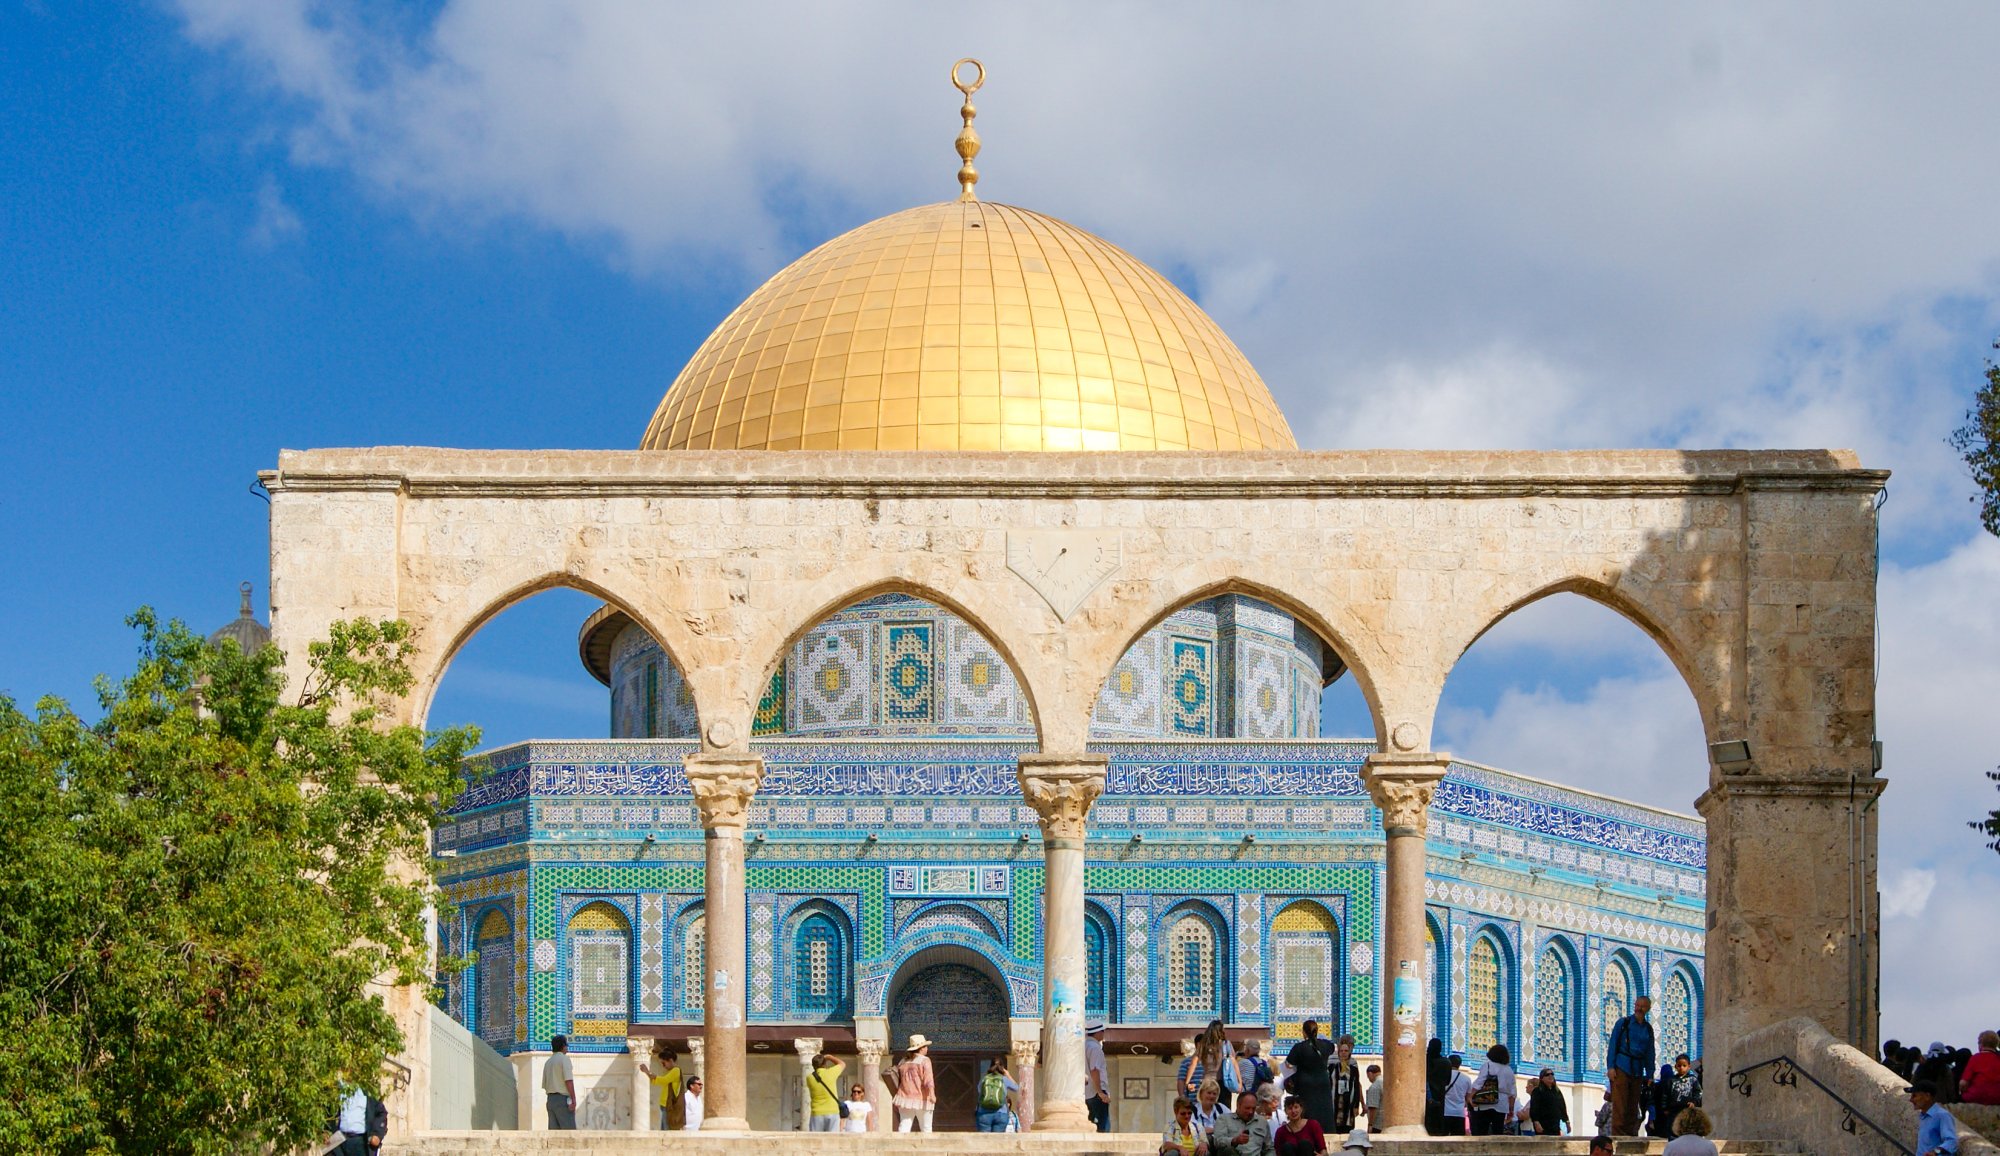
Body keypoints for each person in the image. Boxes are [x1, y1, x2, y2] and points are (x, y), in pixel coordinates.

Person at [1607, 996, 1656, 1136]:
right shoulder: (1623, 1023)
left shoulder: (1648, 1029)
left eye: (1643, 1006)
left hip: (1637, 1069)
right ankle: (1617, 1137)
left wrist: (1650, 1073)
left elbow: (1650, 1052)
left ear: (1648, 1009)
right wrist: (1611, 1067)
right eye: (1637, 1005)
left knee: (1633, 1106)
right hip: (1622, 1066)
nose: (1639, 1008)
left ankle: (1629, 1135)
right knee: (1620, 1105)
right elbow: (1613, 1045)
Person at [1284, 1020, 1338, 1135]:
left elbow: (1288, 1064)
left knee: (1307, 1109)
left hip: (1305, 1083)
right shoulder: (1326, 1045)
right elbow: (1334, 1048)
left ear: (1304, 1032)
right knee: (1324, 1110)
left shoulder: (1299, 1047)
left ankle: (1308, 1132)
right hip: (1323, 1083)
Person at [1467, 1043, 1517, 1136]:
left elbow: (1479, 1082)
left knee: (1481, 1130)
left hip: (1486, 1100)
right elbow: (1512, 1092)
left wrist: (1471, 1096)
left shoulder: (1488, 1065)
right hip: (1502, 1104)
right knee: (1498, 1131)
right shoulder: (1509, 1070)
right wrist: (1511, 1109)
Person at [892, 1034, 936, 1132]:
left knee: (904, 1126)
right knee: (926, 1128)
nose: (927, 1048)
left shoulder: (903, 1061)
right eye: (925, 1046)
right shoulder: (925, 1060)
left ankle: (901, 1147)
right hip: (922, 1098)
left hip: (904, 1098)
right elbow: (928, 1080)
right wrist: (932, 1094)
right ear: (921, 1048)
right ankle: (926, 1147)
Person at [1211, 1090, 1275, 1156]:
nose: (1250, 1112)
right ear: (1238, 1105)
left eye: (1253, 1108)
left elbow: (1269, 1148)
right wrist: (1235, 1140)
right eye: (1247, 1108)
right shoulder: (1224, 1119)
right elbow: (1217, 1142)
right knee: (1228, 1150)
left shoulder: (1262, 1122)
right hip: (1233, 1154)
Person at [330, 1084, 387, 1154]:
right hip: (338, 1141)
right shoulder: (335, 1087)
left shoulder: (367, 1090)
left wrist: (377, 1134)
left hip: (360, 1142)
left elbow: (381, 1112)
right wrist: (326, 1131)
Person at [1655, 1053, 1702, 1136]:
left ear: (1689, 1067)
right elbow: (1665, 1096)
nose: (1681, 1068)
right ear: (1675, 1067)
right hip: (1674, 1111)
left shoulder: (1693, 1080)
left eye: (1684, 1065)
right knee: (1673, 1131)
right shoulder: (1671, 1081)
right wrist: (1665, 1108)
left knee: (1687, 1131)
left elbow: (1697, 1093)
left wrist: (1694, 1102)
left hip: (1687, 1110)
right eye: (1679, 1066)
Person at [1910, 1081, 1960, 1156]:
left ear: (1927, 1096)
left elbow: (1952, 1142)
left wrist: (1935, 1152)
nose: (1911, 1100)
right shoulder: (1923, 1116)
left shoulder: (1942, 1115)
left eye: (1914, 1096)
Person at [975, 1056, 1022, 1133]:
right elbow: (1016, 1088)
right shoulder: (1004, 1079)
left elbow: (979, 1090)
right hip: (1001, 1113)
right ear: (1002, 1067)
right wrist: (1008, 1075)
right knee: (997, 1140)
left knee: (984, 1141)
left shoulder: (985, 1079)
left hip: (984, 1113)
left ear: (990, 1066)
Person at [641, 1047, 685, 1131]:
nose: (663, 1066)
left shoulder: (676, 1070)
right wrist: (649, 1074)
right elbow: (657, 1081)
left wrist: (647, 1072)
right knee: (664, 1129)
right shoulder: (669, 1072)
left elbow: (663, 1081)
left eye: (664, 1063)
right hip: (665, 1105)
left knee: (667, 1130)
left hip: (670, 1106)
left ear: (670, 1060)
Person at [1329, 1035, 1363, 1133]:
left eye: (1346, 1051)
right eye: (1341, 1051)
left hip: (1348, 1105)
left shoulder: (1353, 1069)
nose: (1343, 1053)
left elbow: (1356, 1086)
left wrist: (1357, 1105)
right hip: (1335, 1103)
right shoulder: (1332, 1068)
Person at [542, 1034, 576, 1130]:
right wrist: (573, 1099)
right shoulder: (564, 1059)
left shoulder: (548, 1062)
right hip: (563, 1101)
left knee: (554, 1134)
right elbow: (568, 1081)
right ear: (563, 1046)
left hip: (551, 1100)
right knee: (569, 1132)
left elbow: (545, 1085)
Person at [807, 1050, 846, 1132]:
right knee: (832, 1141)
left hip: (817, 1112)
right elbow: (842, 1064)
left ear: (813, 1065)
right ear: (825, 1064)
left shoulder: (809, 1078)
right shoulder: (830, 1072)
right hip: (832, 1111)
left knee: (816, 1141)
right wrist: (830, 1057)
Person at [1962, 1030, 2000, 1105]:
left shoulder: (1975, 1058)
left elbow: (1963, 1083)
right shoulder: (1998, 1058)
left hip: (1977, 1097)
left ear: (1981, 1044)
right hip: (1997, 1097)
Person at [1088, 1022, 1114, 1132]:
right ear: (1098, 1032)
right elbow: (1094, 1070)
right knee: (1103, 1126)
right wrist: (1100, 1092)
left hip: (1086, 1092)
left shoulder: (1083, 1046)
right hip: (1096, 1093)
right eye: (1103, 1031)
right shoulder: (1095, 1048)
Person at [1528, 1068, 1569, 1136]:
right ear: (1542, 1078)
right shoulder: (1538, 1091)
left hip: (1555, 1125)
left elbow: (1562, 1106)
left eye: (1552, 1074)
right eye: (1547, 1075)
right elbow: (1534, 1108)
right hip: (1543, 1125)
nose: (1550, 1076)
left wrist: (1567, 1121)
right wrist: (1536, 1122)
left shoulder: (1556, 1091)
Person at [1439, 1055, 1471, 1136]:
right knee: (1458, 1140)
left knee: (1443, 1139)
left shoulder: (1442, 1075)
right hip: (1459, 1113)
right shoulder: (1467, 1079)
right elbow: (1468, 1098)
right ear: (1459, 1064)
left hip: (1445, 1112)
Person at [1423, 1038, 1450, 1135]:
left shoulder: (1423, 1061)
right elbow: (1447, 1081)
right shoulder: (1446, 1062)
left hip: (1424, 1098)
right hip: (1440, 1097)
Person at [1360, 1064, 1382, 1133]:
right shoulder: (1386, 1082)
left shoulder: (1375, 1086)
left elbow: (1373, 1108)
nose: (1369, 1079)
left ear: (1370, 1074)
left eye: (1368, 1077)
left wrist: (1370, 1124)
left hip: (1377, 1124)